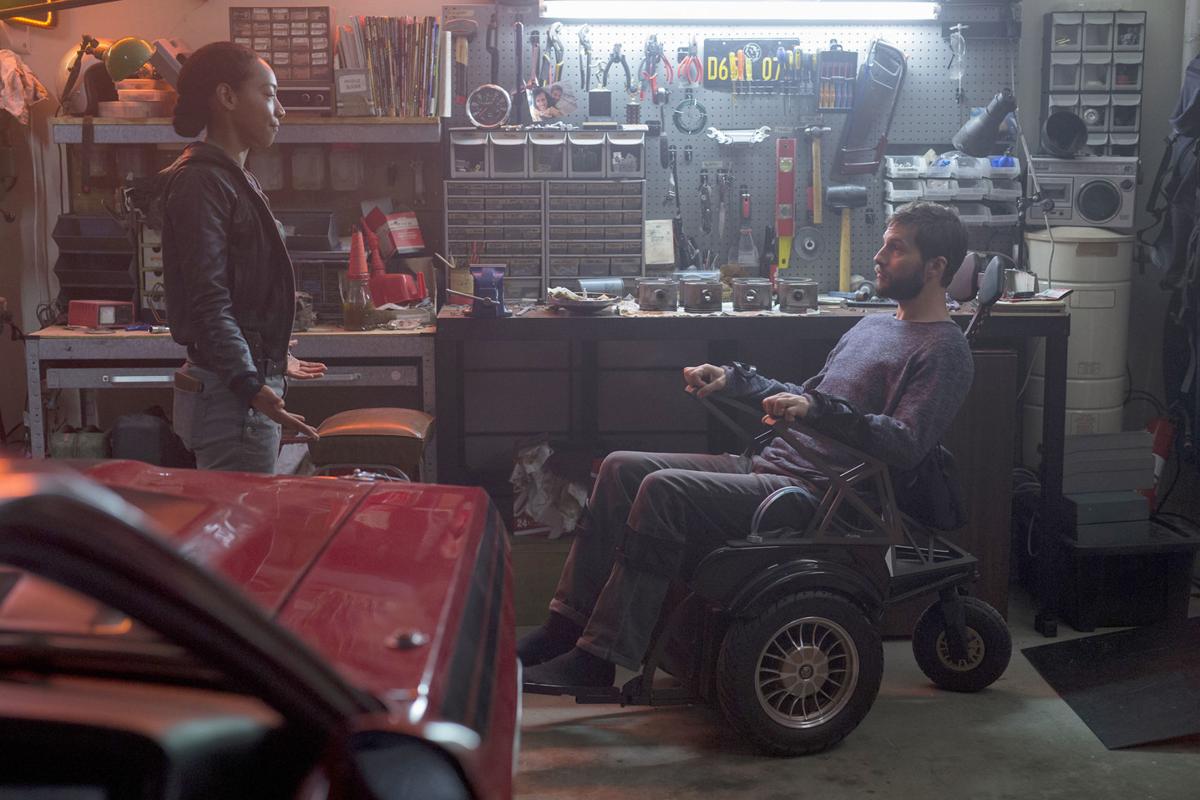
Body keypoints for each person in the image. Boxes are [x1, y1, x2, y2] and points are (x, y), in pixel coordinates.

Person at [519, 201, 975, 692]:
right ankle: (564, 628)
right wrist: (734, 380)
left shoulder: (944, 350)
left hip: (823, 496)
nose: (880, 257)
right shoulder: (873, 325)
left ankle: (598, 658)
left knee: (662, 490)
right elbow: (807, 395)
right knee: (619, 468)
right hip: (771, 466)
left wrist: (817, 410)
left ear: (936, 267)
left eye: (896, 249)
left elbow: (905, 443)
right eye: (884, 245)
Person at [160, 41, 326, 473]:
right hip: (231, 401)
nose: (281, 110)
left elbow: (238, 292)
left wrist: (271, 356)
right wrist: (249, 382)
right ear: (227, 97)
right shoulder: (201, 183)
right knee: (241, 519)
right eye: (269, 94)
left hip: (238, 391)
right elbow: (209, 300)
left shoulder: (231, 178)